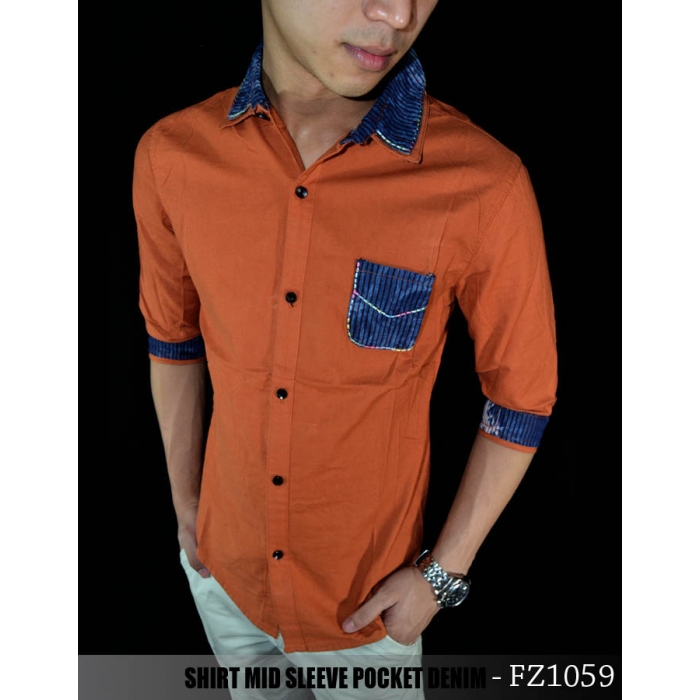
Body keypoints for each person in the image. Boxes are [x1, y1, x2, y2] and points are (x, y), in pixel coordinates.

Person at [133, 1, 557, 697]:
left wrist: (442, 576)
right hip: (223, 580)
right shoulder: (171, 155)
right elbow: (171, 338)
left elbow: (522, 398)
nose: (399, 13)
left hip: (365, 616)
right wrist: (186, 504)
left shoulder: (483, 182)